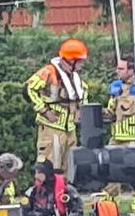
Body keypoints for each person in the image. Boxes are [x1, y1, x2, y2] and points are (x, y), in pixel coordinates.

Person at [25, 38, 88, 174]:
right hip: (51, 127)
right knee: (49, 167)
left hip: (69, 128)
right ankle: (47, 194)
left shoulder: (75, 77)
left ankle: (64, 194)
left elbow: (83, 94)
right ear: (71, 60)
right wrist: (44, 111)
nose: (83, 64)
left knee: (69, 168)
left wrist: (80, 111)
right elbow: (29, 89)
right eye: (80, 60)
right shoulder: (48, 71)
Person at [102, 56, 135, 211]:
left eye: (121, 69)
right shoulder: (116, 88)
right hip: (117, 137)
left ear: (131, 70)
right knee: (110, 170)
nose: (117, 71)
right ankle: (109, 207)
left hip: (134, 137)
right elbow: (112, 112)